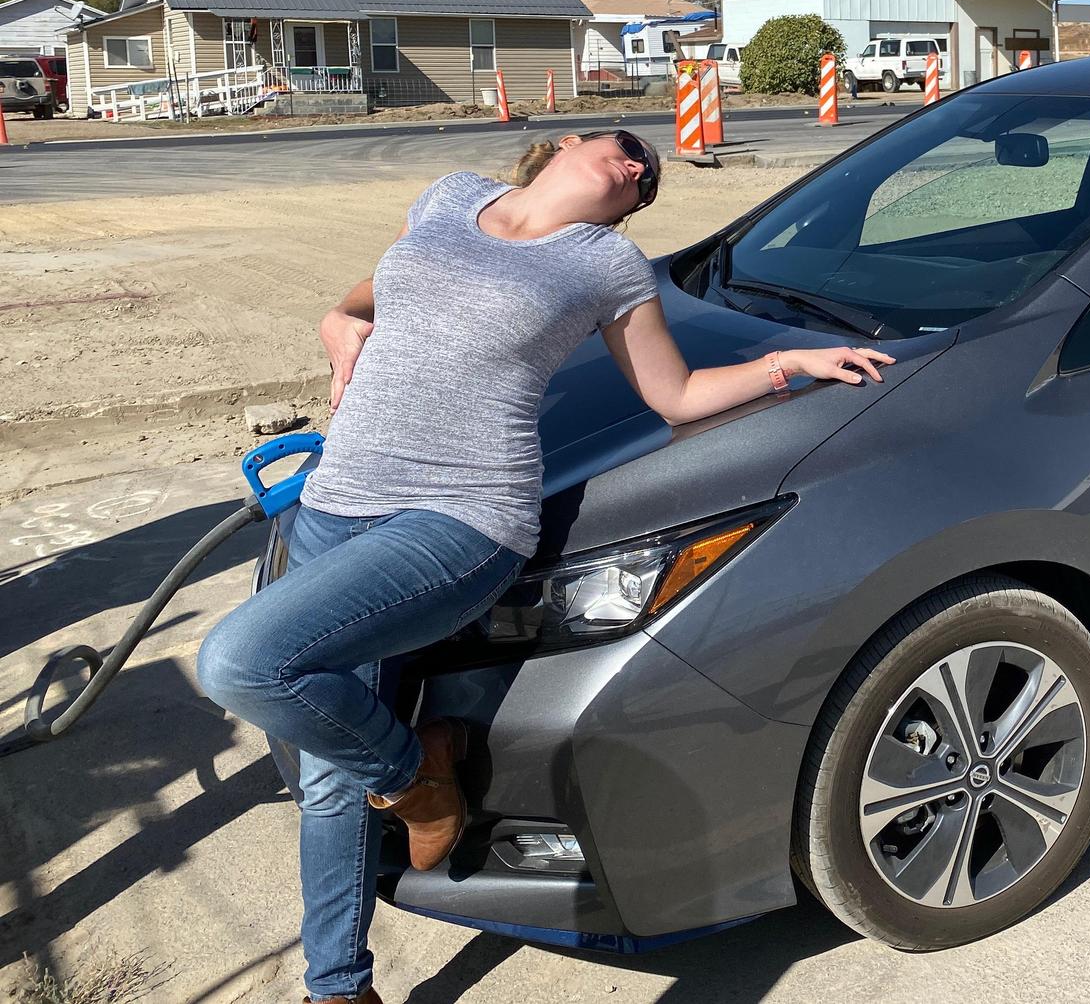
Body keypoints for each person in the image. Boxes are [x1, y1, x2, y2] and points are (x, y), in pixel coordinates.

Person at [196, 130, 891, 1004]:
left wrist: (788, 364)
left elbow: (676, 395)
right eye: (629, 149)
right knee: (333, 768)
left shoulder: (605, 266)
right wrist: (339, 318)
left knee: (241, 662)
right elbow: (388, 288)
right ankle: (339, 986)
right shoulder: (450, 196)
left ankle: (413, 774)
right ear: (564, 144)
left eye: (646, 178)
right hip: (337, 501)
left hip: (459, 517)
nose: (638, 167)